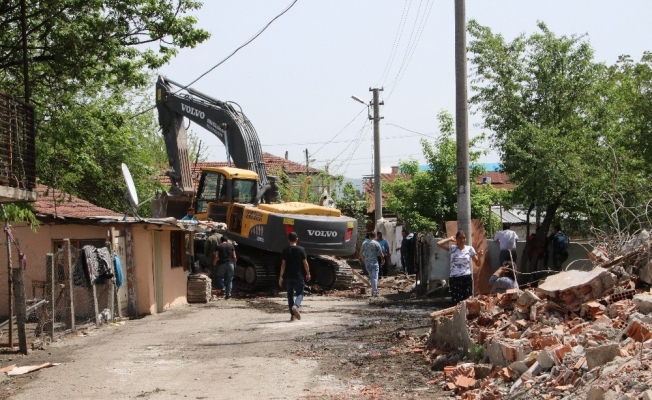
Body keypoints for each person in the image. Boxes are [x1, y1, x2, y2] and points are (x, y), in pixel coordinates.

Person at [437, 231, 483, 304]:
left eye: (464, 238)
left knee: (467, 300)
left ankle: (467, 315)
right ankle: (458, 315)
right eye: (460, 238)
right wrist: (450, 239)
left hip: (466, 277)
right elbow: (439, 243)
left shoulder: (470, 249)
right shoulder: (452, 248)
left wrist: (480, 256)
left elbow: (477, 263)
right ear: (457, 239)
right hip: (455, 278)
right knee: (457, 301)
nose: (462, 240)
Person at [279, 232, 311, 321]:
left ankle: (292, 316)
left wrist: (281, 276)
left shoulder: (285, 250)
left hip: (288, 276)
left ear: (288, 240)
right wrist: (308, 273)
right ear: (297, 239)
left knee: (290, 295)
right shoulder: (301, 250)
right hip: (299, 276)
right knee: (300, 293)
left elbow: (283, 265)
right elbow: (305, 263)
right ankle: (296, 306)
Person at [360, 232, 384, 297]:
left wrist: (364, 260)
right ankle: (374, 291)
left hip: (367, 263)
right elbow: (381, 253)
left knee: (371, 277)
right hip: (374, 262)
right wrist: (383, 260)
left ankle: (374, 290)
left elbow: (360, 253)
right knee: (375, 277)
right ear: (375, 236)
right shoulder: (376, 243)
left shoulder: (364, 243)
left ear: (369, 236)